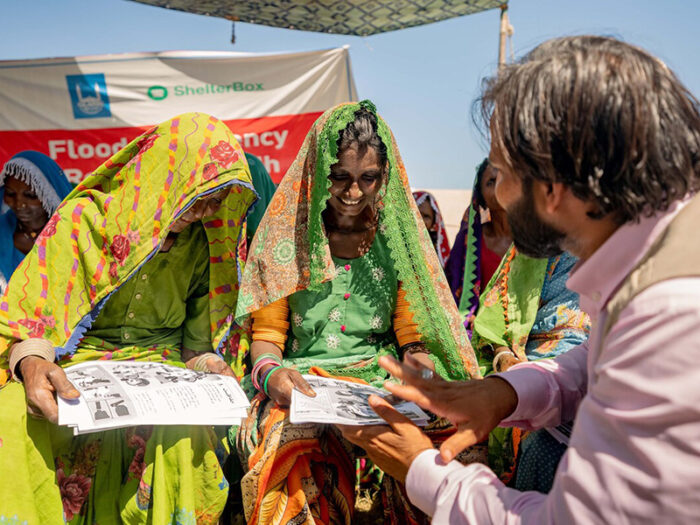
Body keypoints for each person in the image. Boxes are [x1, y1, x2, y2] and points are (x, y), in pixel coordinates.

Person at [339, 36, 700, 523]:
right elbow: (597, 361)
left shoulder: (672, 312)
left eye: (501, 172)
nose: (497, 194)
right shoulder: (661, 250)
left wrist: (421, 468)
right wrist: (507, 392)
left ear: (551, 188)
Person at [0, 113, 257, 524]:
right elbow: (33, 323)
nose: (209, 209)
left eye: (219, 199)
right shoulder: (84, 221)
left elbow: (194, 347)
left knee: (183, 430)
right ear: (168, 176)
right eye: (201, 195)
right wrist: (33, 364)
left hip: (162, 369)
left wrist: (211, 366)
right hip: (77, 365)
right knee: (13, 413)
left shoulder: (200, 245)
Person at [232, 100, 479, 524]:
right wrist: (272, 376)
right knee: (286, 440)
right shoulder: (288, 233)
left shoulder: (393, 236)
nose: (352, 193)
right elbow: (268, 337)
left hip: (378, 376)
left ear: (384, 177)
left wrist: (418, 366)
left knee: (453, 436)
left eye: (367, 179)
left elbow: (410, 333)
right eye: (340, 177)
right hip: (306, 381)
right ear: (316, 173)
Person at [444, 159, 511, 326]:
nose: (499, 186)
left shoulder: (534, 240)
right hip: (479, 325)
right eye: (491, 182)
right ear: (481, 198)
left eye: (504, 178)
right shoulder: (468, 241)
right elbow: (452, 289)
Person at [0, 151, 72, 293]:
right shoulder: (2, 233)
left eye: (30, 195)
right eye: (10, 194)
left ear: (50, 195)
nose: (19, 204)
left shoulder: (73, 235)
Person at [244, 152, 276, 242]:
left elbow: (252, 223)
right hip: (269, 237)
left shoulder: (236, 164)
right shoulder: (252, 161)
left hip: (250, 239)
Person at [412, 191, 450, 266]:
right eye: (416, 213)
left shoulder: (436, 251)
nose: (420, 220)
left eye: (426, 216)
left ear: (433, 222)